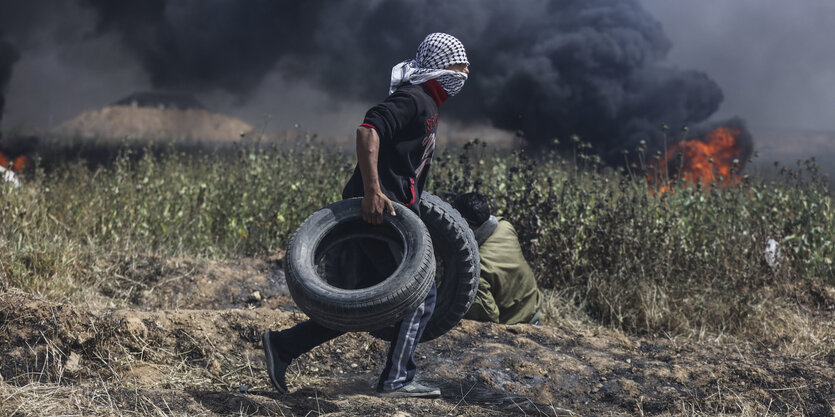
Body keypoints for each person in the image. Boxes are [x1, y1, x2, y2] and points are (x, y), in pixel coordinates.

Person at [262, 33, 470, 398]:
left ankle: (282, 347)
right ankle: (397, 380)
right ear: (439, 67)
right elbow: (367, 131)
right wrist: (373, 191)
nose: (466, 70)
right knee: (421, 296)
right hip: (380, 215)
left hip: (395, 213)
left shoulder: (429, 104)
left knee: (363, 303)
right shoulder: (413, 98)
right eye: (459, 63)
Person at [453, 192, 542, 325]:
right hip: (534, 309)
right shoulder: (505, 226)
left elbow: (488, 317)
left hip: (517, 324)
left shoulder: (479, 268)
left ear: (464, 222)